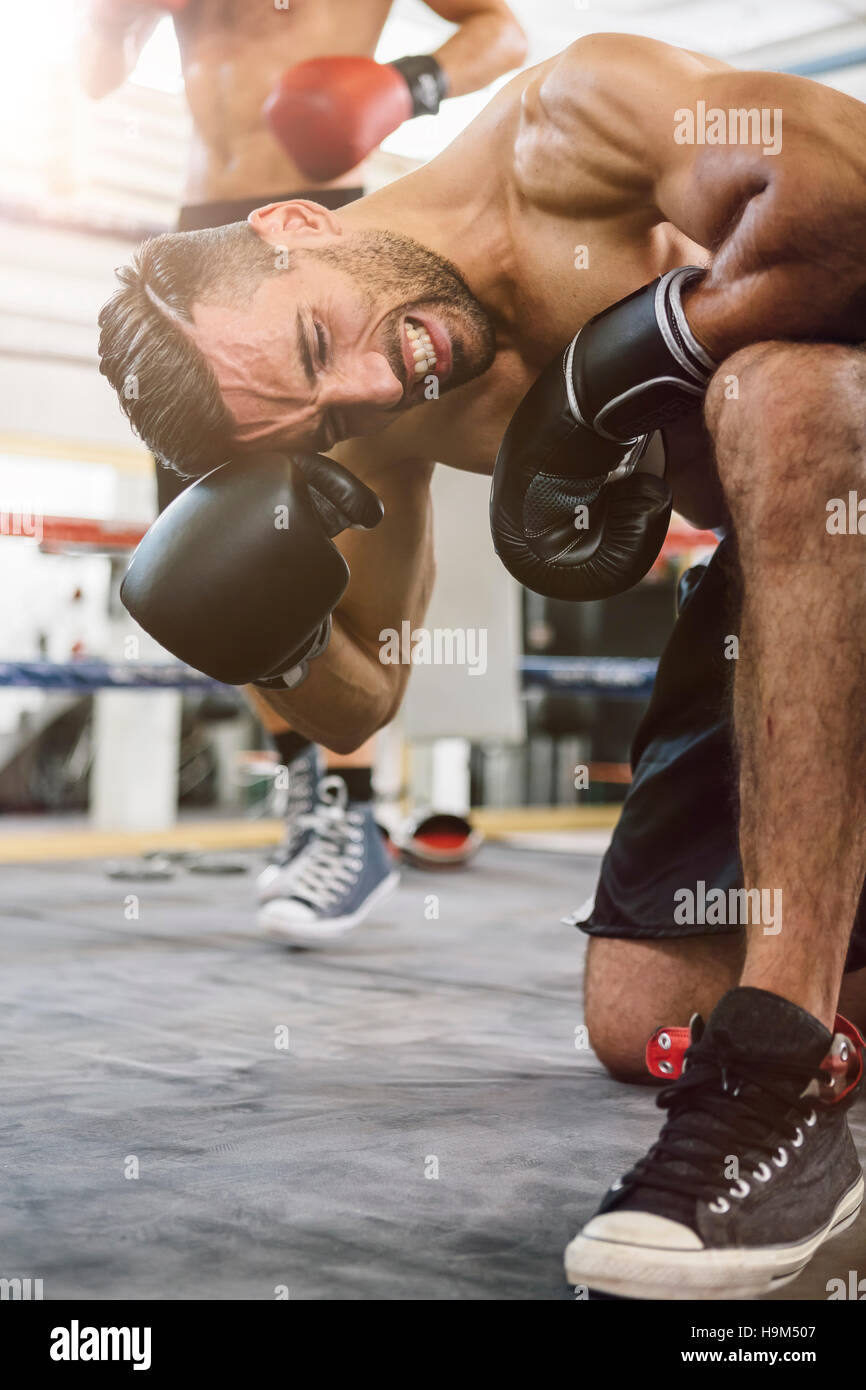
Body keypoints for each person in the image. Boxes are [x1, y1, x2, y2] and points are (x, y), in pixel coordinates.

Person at [96, 30, 866, 1297]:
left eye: (314, 343)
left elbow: (843, 197)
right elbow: (371, 689)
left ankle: (777, 1082)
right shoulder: (383, 416)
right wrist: (262, 629)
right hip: (807, 596)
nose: (375, 384)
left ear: (296, 219)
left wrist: (611, 370)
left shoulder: (572, 125)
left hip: (831, 472)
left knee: (776, 397)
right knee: (640, 1023)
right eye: (328, 414)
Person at [78, 0, 527, 943]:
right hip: (204, 248)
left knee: (350, 534)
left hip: (326, 230)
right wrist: (112, 19)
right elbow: (92, 80)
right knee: (222, 549)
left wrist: (406, 87)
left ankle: (356, 810)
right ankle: (311, 795)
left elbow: (505, 30)